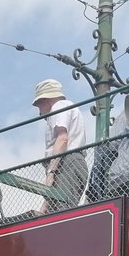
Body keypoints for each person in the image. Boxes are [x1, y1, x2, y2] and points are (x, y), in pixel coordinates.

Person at [31, 79, 89, 210]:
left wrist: (51, 172)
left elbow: (62, 138)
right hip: (68, 163)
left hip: (65, 162)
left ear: (45, 100)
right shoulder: (68, 107)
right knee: (60, 208)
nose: (39, 111)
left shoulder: (60, 106)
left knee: (62, 210)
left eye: (38, 105)